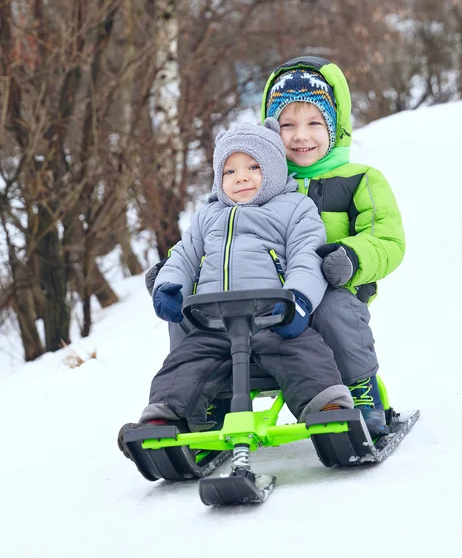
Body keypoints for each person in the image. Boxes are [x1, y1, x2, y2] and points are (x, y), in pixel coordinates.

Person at [127, 119, 353, 436]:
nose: (241, 177)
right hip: (213, 322)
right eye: (229, 171)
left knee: (303, 354)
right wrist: (169, 286)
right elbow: (185, 253)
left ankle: (327, 406)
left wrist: (298, 300)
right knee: (184, 362)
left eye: (253, 167)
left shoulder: (294, 208)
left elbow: (307, 257)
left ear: (274, 168)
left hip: (273, 317)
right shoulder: (209, 214)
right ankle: (165, 418)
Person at [261, 56, 405, 435]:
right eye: (286, 125)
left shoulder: (360, 179)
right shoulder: (259, 184)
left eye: (314, 123)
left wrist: (353, 257)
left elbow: (387, 240)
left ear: (336, 127)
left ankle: (361, 389)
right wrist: (180, 267)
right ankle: (207, 400)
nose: (300, 135)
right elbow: (221, 229)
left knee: (330, 309)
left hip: (334, 286)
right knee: (209, 317)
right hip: (269, 291)